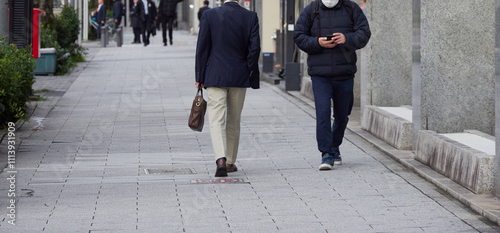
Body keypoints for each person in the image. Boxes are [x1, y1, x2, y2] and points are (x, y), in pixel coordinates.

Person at [293, 0, 371, 170]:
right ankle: (326, 154)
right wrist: (318, 43)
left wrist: (347, 38)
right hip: (320, 75)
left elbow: (364, 33)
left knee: (342, 115)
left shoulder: (351, 8)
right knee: (323, 112)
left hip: (345, 73)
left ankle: (335, 146)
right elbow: (299, 36)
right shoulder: (311, 10)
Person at [195, 0, 260, 177]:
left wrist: (199, 77)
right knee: (234, 119)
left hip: (214, 75)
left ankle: (220, 160)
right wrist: (247, 69)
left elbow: (202, 48)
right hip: (239, 76)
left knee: (216, 119)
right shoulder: (250, 17)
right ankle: (230, 161)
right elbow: (255, 49)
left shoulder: (209, 15)